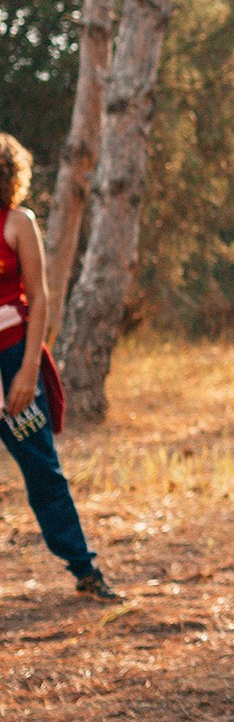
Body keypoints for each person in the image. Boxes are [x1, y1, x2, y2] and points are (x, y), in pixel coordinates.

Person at [0, 134, 116, 601]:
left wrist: (28, 372)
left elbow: (41, 297)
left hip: (13, 361)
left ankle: (85, 571)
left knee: (43, 472)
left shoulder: (17, 222)